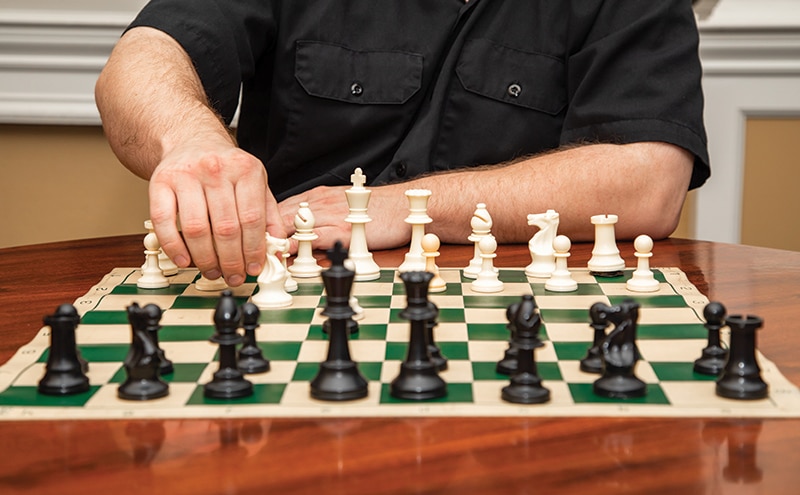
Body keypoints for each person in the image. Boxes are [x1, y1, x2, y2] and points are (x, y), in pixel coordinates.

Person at [95, 0, 710, 288]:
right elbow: (145, 55)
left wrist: (391, 206)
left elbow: (650, 180)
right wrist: (192, 142)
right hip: (286, 292)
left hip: (525, 308)